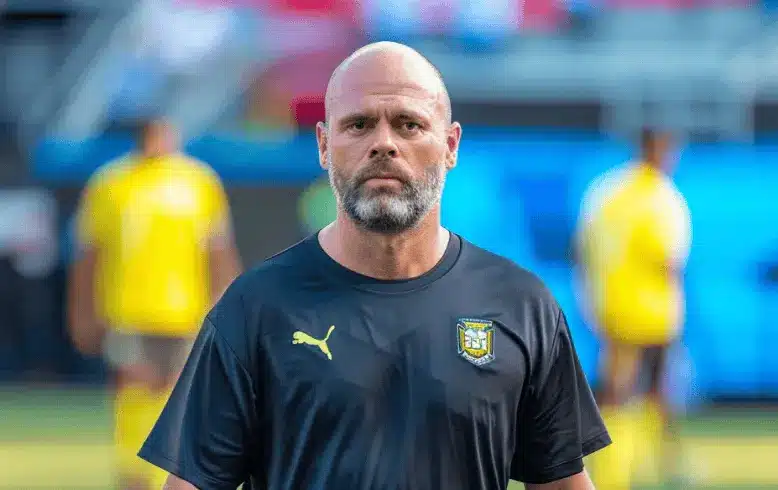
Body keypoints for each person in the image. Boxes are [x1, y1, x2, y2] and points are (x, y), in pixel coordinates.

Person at [140, 42, 610, 490]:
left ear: (450, 145)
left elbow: (561, 480)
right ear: (324, 145)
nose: (384, 143)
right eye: (359, 125)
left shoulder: (521, 305)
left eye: (409, 125)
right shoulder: (254, 308)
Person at [67, 118, 242, 490]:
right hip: (129, 311)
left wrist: (228, 304)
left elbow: (218, 250)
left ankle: (172, 476)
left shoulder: (198, 181)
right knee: (134, 390)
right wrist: (83, 312)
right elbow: (89, 252)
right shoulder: (112, 182)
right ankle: (133, 476)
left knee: (179, 397)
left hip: (185, 312)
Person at [575, 128, 692, 489]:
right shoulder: (661, 197)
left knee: (616, 392)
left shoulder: (606, 191)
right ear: (661, 150)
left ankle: (612, 465)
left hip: (612, 309)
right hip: (654, 312)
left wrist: (591, 298)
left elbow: (582, 248)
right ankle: (655, 468)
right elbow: (670, 260)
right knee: (656, 391)